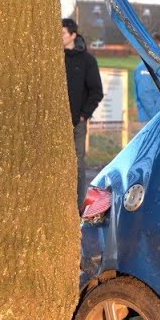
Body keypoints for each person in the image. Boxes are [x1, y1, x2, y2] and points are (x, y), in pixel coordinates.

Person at [63, 18, 103, 204]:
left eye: (63, 33)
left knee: (77, 162)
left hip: (77, 122)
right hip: (53, 122)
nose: (59, 37)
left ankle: (78, 204)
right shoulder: (52, 58)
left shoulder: (87, 61)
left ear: (73, 35)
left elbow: (96, 91)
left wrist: (83, 115)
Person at [135, 33, 160, 125]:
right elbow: (145, 95)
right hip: (151, 120)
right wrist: (156, 118)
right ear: (157, 49)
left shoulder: (158, 67)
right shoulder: (145, 68)